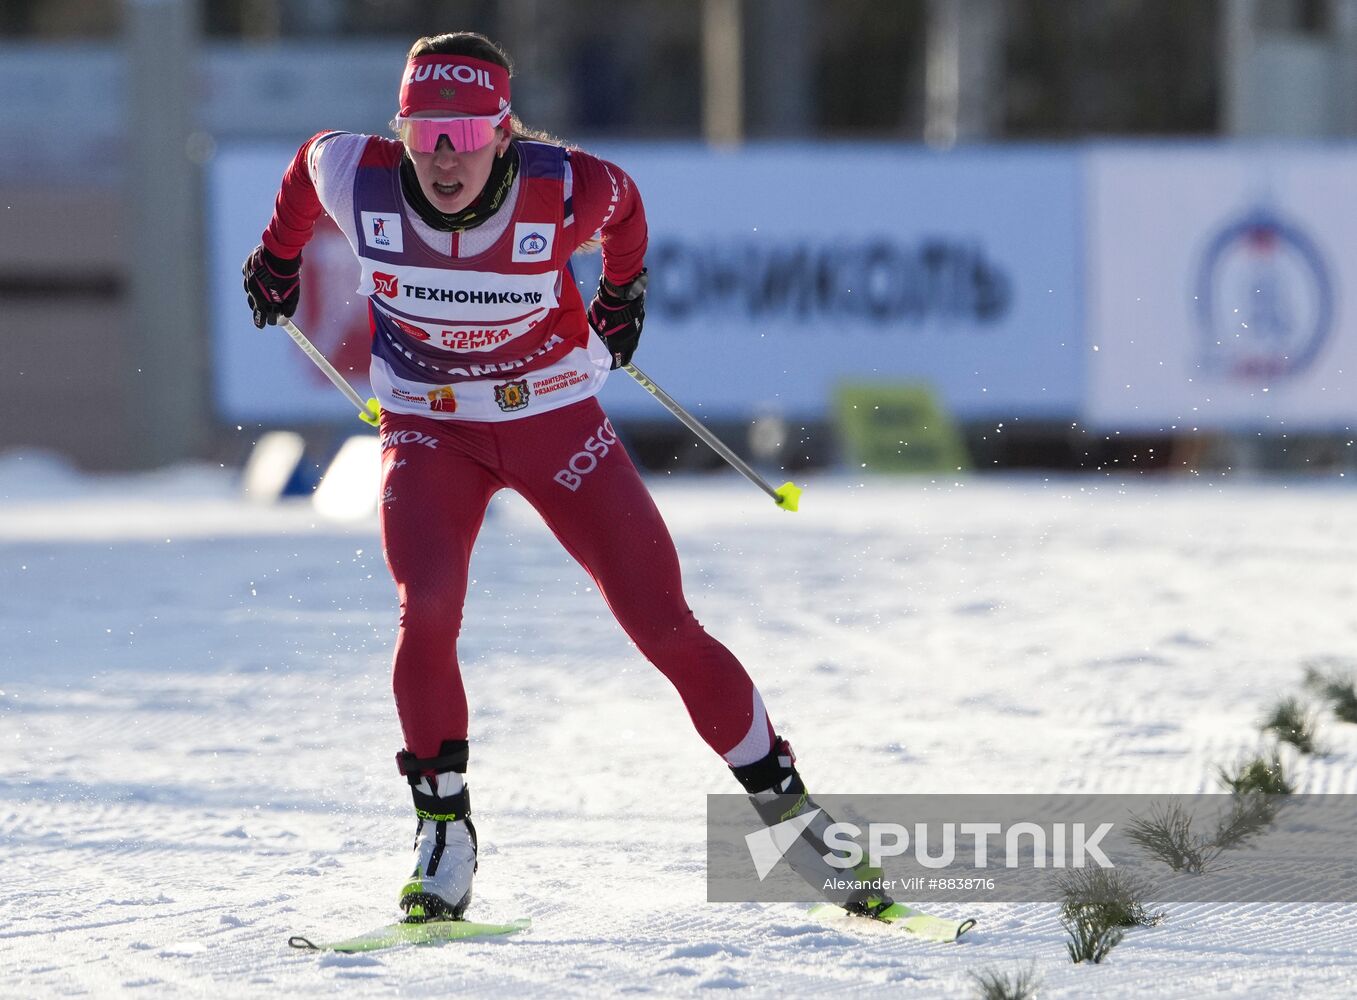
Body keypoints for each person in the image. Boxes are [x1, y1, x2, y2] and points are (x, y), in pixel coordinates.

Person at [243, 31, 850, 923]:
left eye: (466, 135)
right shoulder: (355, 173)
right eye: (423, 134)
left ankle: (788, 810)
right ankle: (444, 833)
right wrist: (279, 256)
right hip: (429, 428)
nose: (444, 159)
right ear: (398, 132)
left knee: (663, 625)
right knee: (429, 609)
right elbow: (301, 171)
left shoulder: (565, 187)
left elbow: (629, 211)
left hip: (552, 421)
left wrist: (623, 293)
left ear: (504, 131)